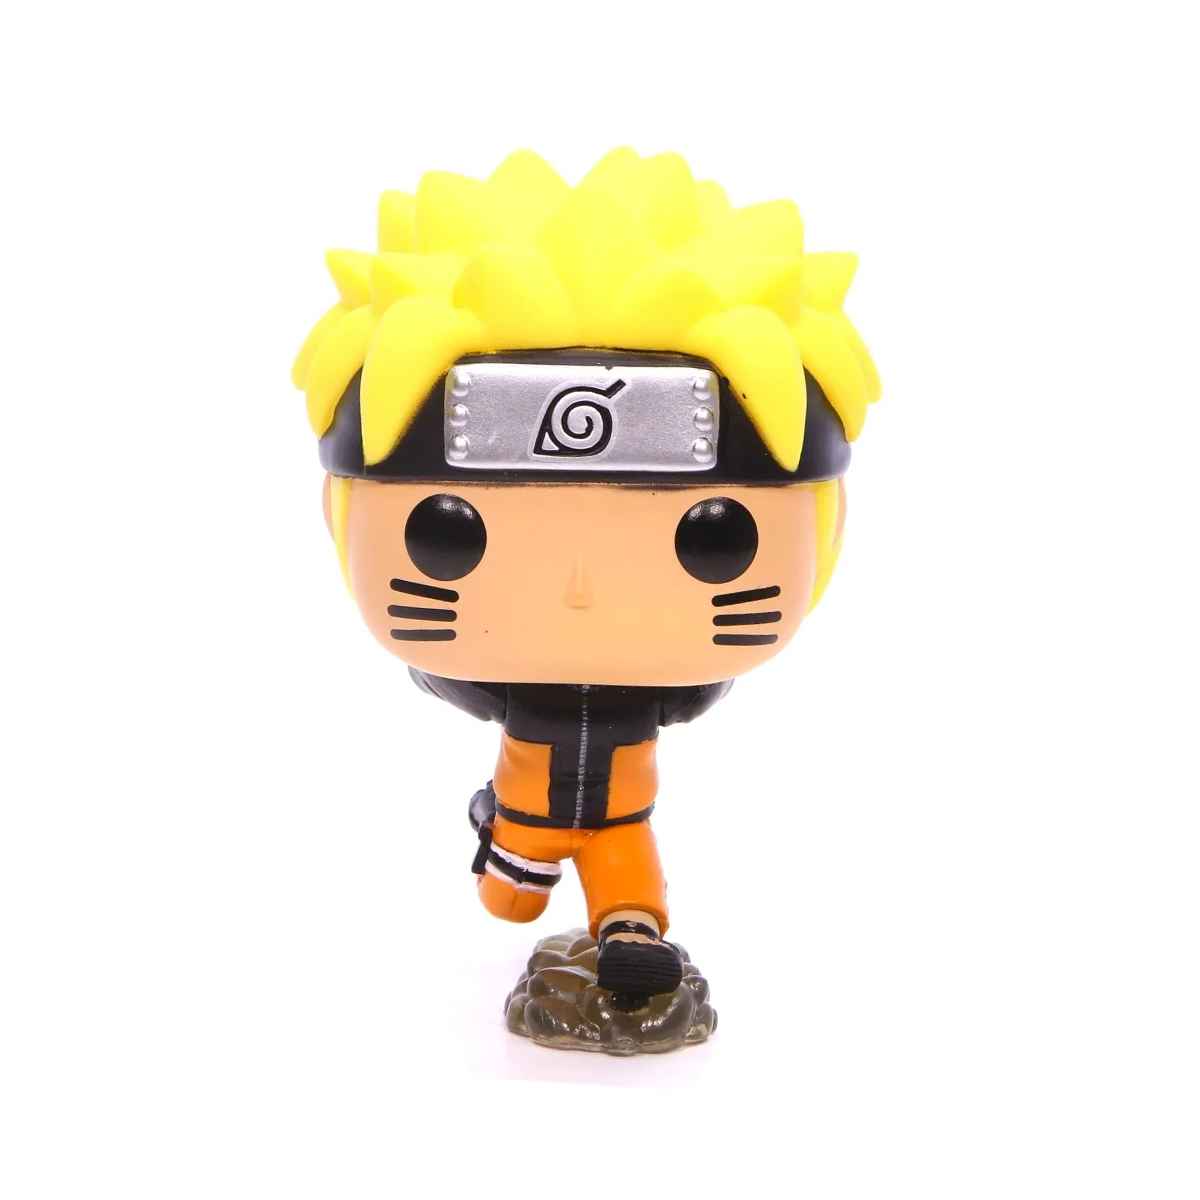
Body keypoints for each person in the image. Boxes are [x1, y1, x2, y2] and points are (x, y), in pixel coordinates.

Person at [292, 147, 880, 1007]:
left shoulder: (664, 687)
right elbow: (452, 680)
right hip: (526, 804)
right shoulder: (534, 683)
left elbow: (692, 693)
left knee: (625, 868)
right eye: (447, 534)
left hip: (623, 814)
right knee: (508, 900)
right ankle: (498, 834)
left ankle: (631, 933)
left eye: (713, 538)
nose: (578, 587)